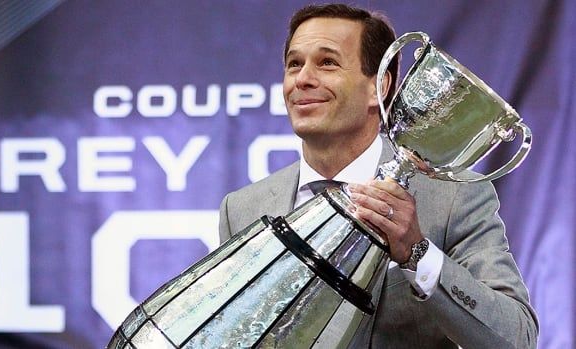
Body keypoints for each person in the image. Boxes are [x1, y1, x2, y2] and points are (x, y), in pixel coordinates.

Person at [218, 3, 538, 348]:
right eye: (294, 64)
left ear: (379, 87)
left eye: (327, 62)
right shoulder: (242, 210)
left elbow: (516, 336)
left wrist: (417, 253)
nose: (303, 79)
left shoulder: (451, 199)